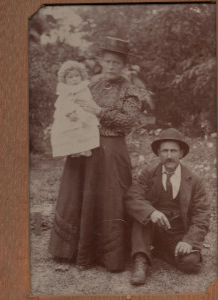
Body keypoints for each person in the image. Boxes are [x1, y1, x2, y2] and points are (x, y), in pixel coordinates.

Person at [49, 37, 143, 272]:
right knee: (79, 194)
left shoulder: (130, 90)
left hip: (111, 150)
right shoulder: (89, 86)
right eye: (108, 61)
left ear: (124, 66)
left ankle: (109, 255)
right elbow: (68, 108)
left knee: (110, 198)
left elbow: (128, 122)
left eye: (117, 63)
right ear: (101, 62)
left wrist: (99, 111)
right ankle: (72, 250)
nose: (111, 66)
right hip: (83, 146)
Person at [124, 128, 210, 285]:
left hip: (177, 233)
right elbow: (132, 197)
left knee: (191, 264)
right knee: (141, 217)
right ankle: (141, 261)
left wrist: (189, 241)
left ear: (181, 153)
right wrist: (151, 212)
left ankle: (161, 251)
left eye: (173, 151)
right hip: (151, 228)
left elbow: (202, 214)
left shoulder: (194, 180)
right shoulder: (148, 174)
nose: (169, 156)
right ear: (158, 153)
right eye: (165, 151)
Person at [51, 60, 101, 158]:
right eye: (70, 77)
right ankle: (73, 150)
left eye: (77, 76)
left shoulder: (83, 87)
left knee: (86, 129)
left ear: (81, 76)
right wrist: (69, 113)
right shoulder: (65, 89)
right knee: (72, 131)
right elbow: (62, 103)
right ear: (65, 79)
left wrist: (94, 110)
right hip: (71, 113)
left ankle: (86, 148)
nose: (74, 79)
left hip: (84, 111)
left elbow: (88, 98)